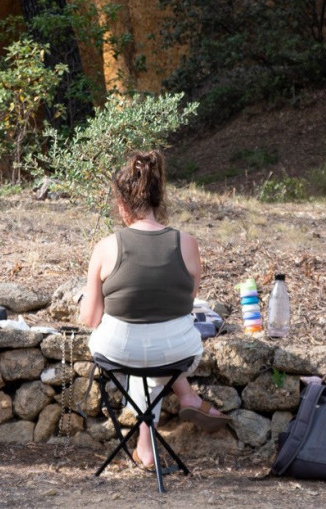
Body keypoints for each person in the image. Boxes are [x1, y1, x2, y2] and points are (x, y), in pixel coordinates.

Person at [79, 150, 229, 470]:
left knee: (141, 354)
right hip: (176, 353)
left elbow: (89, 318)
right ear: (159, 200)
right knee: (156, 356)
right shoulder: (187, 243)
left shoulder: (106, 246)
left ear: (122, 206)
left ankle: (145, 448)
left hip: (119, 351)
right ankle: (157, 433)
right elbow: (184, 303)